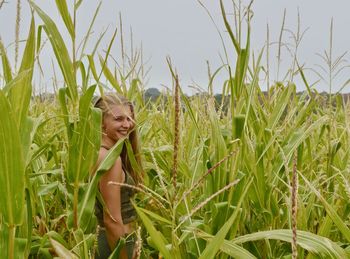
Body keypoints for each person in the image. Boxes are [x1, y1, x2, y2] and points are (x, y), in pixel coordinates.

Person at [93, 93, 142, 259]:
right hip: (116, 244)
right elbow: (112, 221)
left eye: (129, 118)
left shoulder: (94, 152)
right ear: (101, 122)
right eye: (119, 119)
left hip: (105, 241)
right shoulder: (111, 161)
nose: (127, 124)